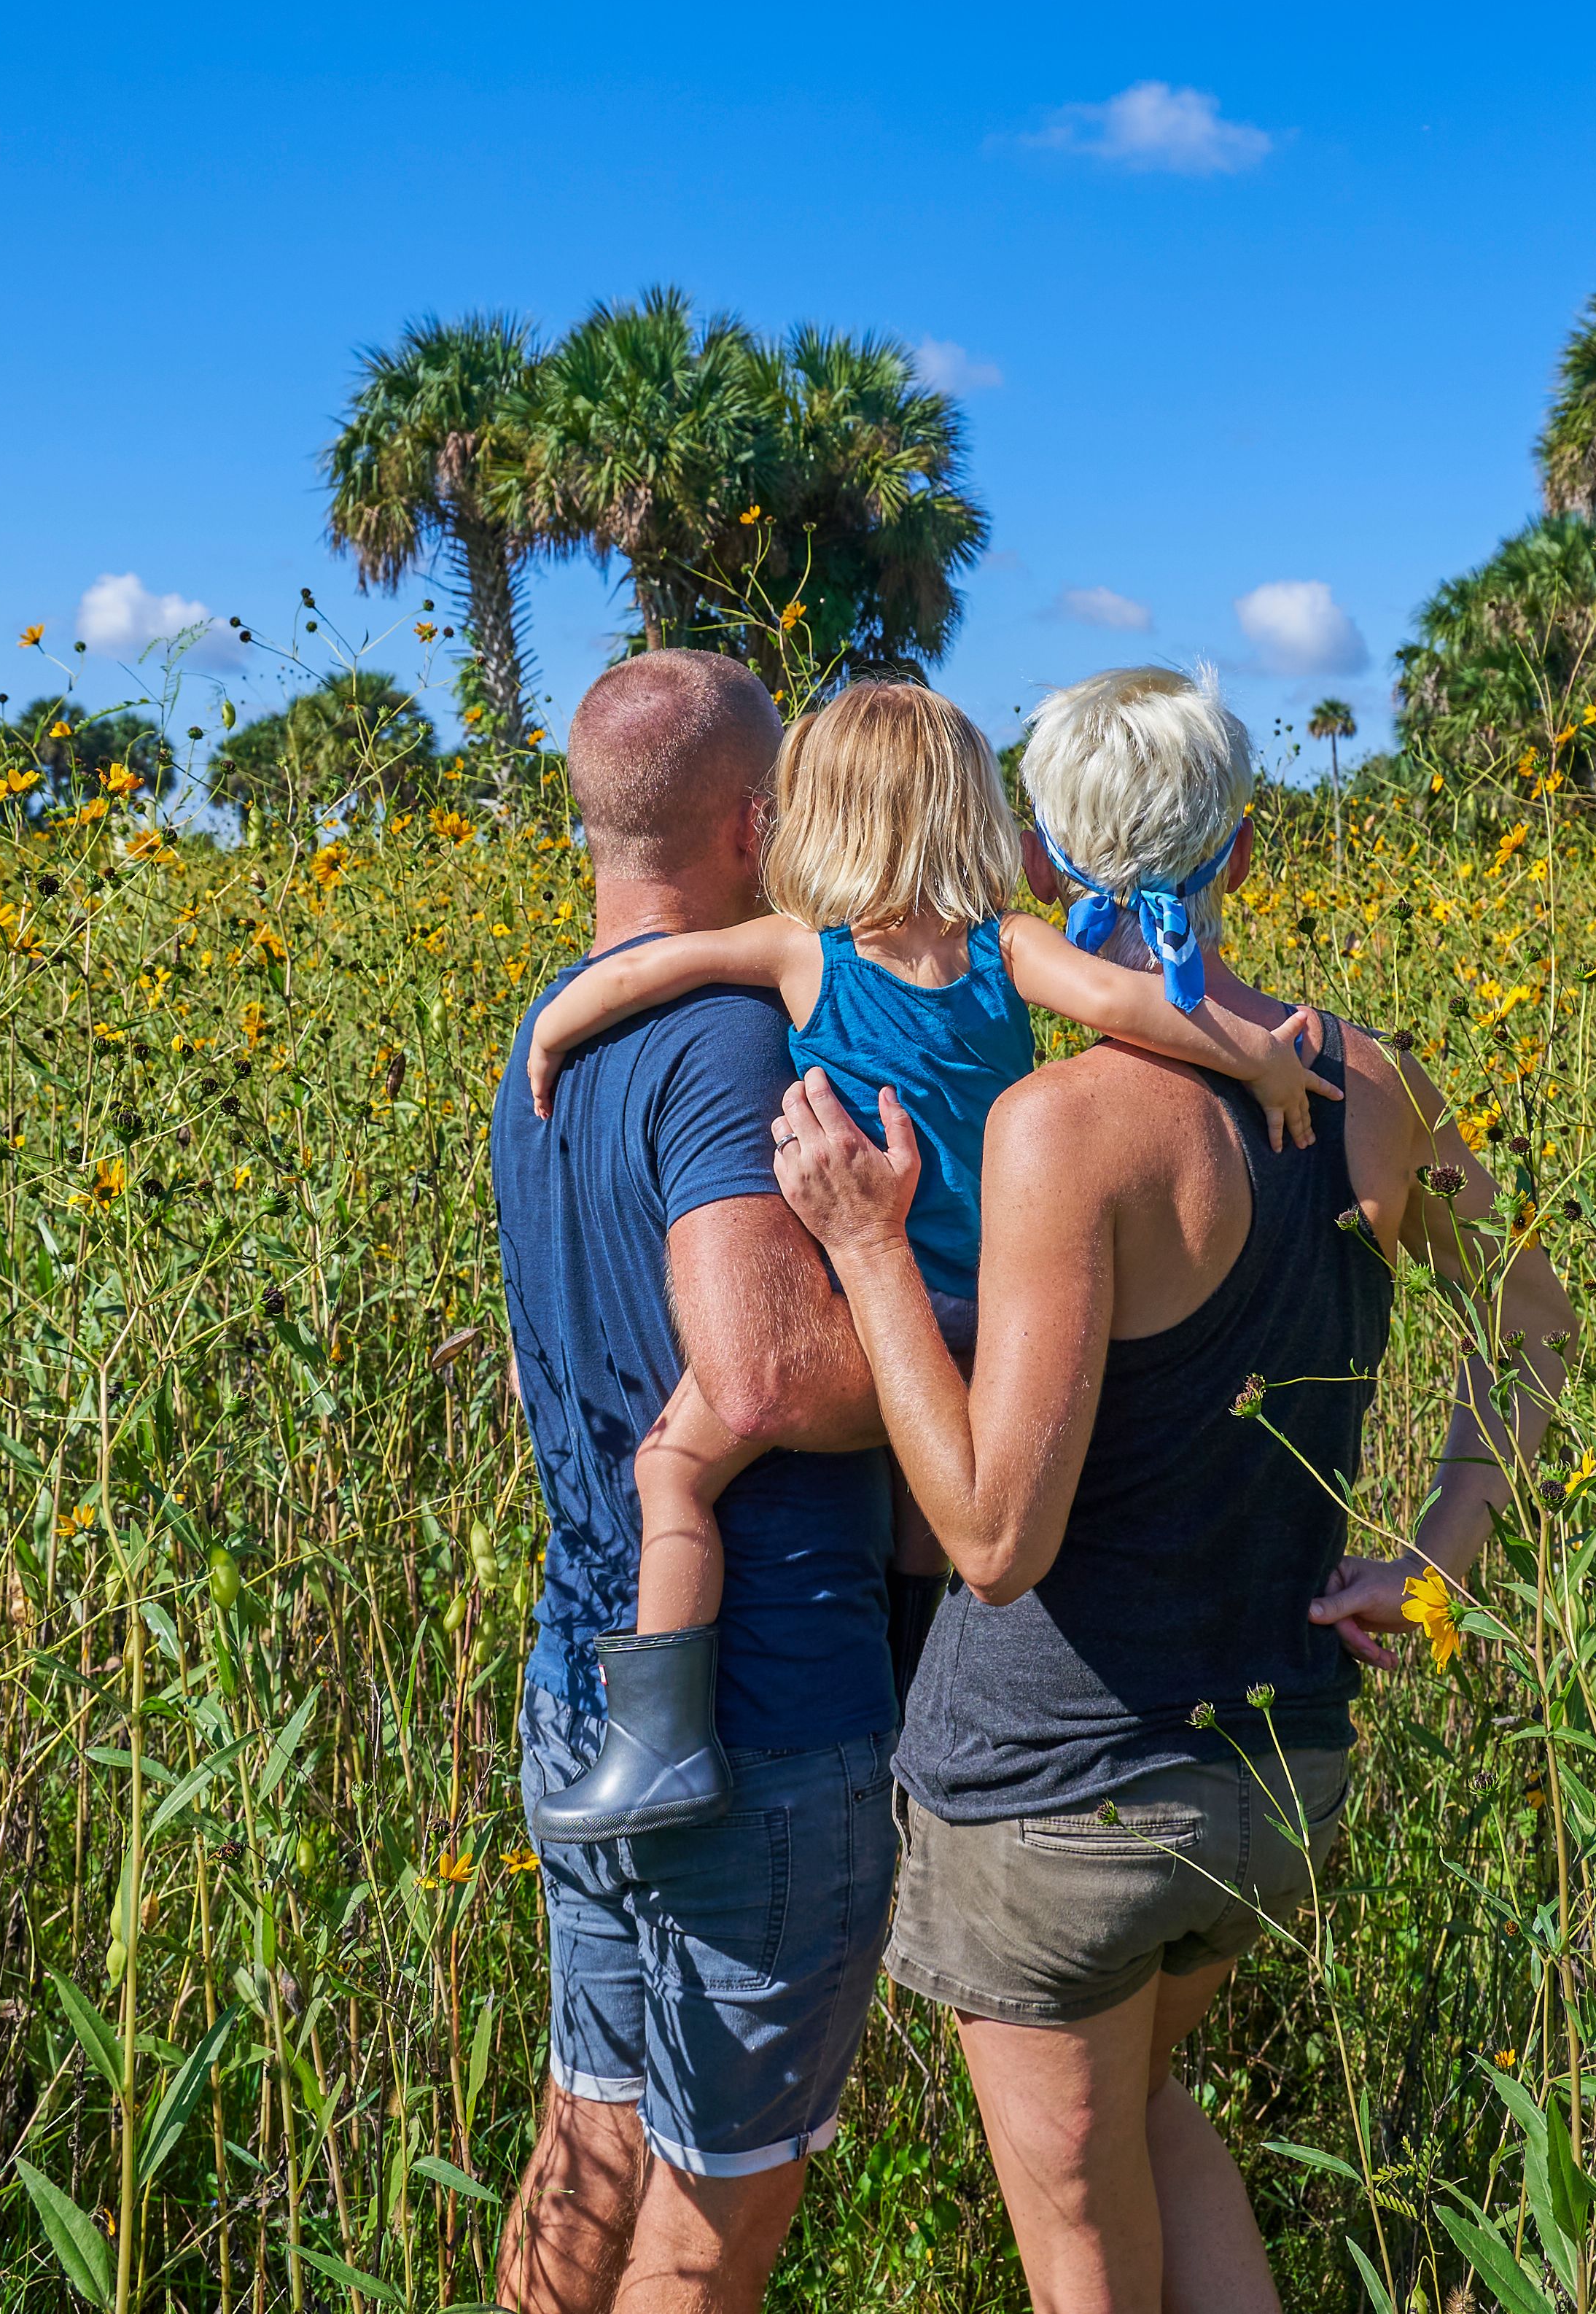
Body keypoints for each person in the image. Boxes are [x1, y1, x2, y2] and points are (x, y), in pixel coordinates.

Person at [769, 664, 1576, 2312]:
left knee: (1079, 2249)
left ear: (1047, 866)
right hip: (1272, 1770)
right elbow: (1538, 1321)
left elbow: (996, 1539)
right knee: (1139, 2113)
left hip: (1055, 1793)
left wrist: (864, 1251)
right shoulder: (1371, 1084)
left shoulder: (1063, 1125)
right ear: (1248, 852)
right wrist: (1437, 1561)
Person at [518, 677, 1331, 1844]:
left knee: (674, 1472)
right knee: (924, 1518)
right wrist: (1258, 1058)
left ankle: (660, 1744)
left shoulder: (806, 952)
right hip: (990, 1312)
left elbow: (658, 967)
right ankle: (908, 1711)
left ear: (811, 817)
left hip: (880, 1297)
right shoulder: (1010, 947)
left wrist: (553, 1027)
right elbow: (1132, 1003)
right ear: (975, 818)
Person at [484, 649, 895, 2314]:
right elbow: (763, 1373)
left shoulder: (550, 1043)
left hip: (587, 1664)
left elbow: (538, 1360)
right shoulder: (726, 1039)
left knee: (589, 2122)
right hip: (753, 1705)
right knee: (715, 2202)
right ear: (752, 821)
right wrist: (972, 1348)